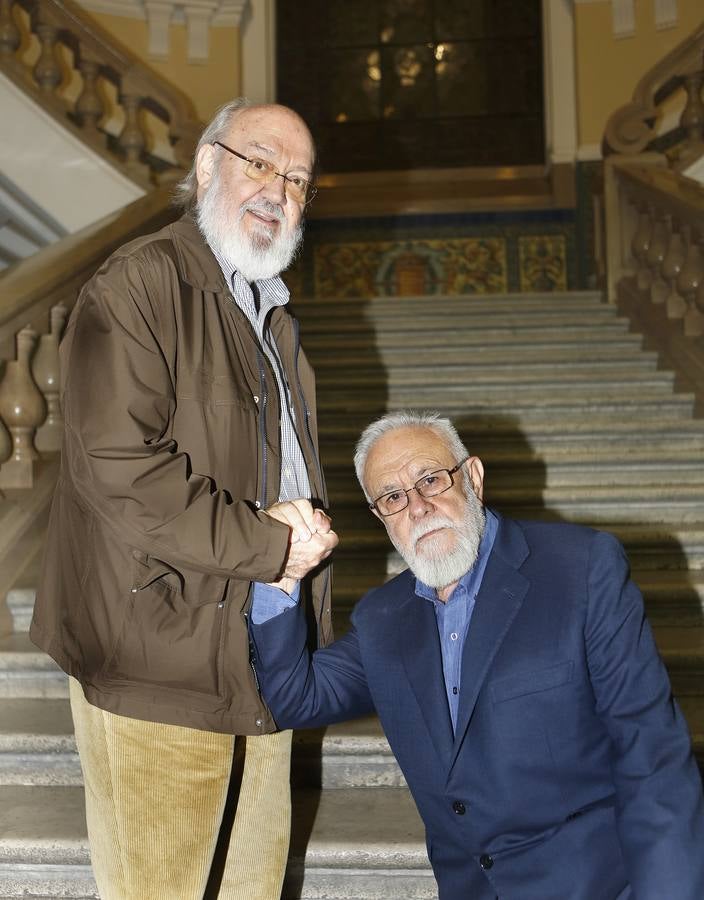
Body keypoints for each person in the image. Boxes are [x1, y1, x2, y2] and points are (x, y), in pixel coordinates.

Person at [30, 98, 338, 900]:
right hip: (156, 653)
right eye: (260, 162)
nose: (279, 189)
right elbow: (120, 470)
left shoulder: (271, 314)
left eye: (299, 178)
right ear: (207, 166)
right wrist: (272, 546)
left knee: (252, 886)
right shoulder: (139, 284)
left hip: (260, 650)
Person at [250, 411, 704, 900]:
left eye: (430, 479)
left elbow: (652, 759)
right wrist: (281, 574)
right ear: (380, 518)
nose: (418, 507)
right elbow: (293, 698)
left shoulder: (581, 569)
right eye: (393, 497)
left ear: (473, 478)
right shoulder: (383, 619)